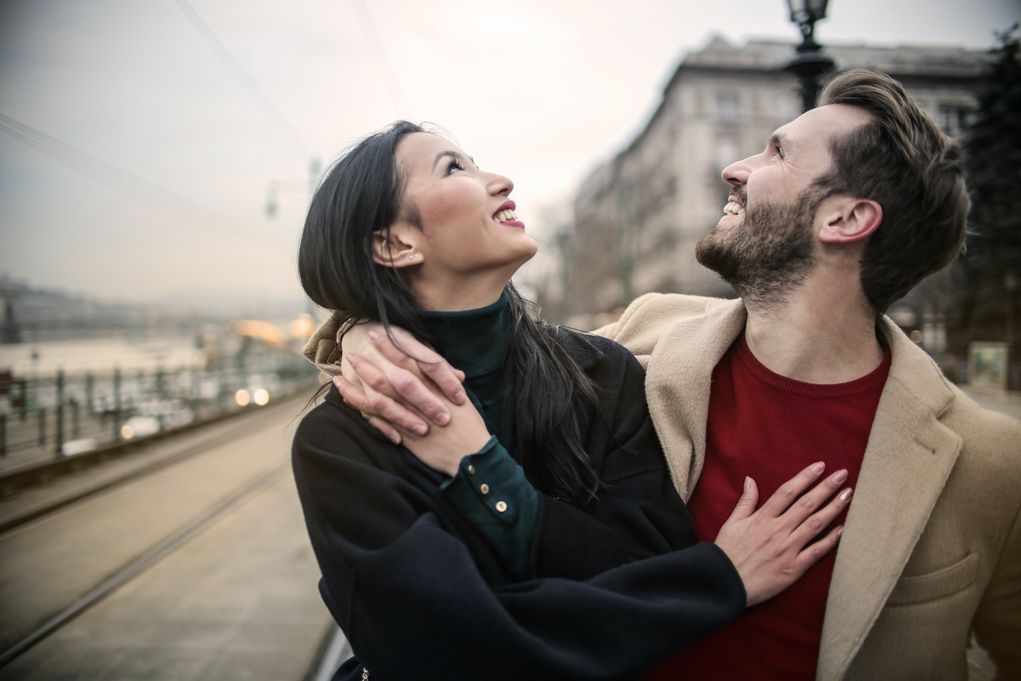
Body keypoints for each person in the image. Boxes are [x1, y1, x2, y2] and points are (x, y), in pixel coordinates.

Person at [336, 70, 1021, 680]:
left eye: (775, 152)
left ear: (844, 218)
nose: (734, 167)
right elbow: (473, 343)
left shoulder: (989, 460)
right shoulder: (638, 336)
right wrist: (364, 329)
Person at [293, 122, 852, 681]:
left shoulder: (603, 374)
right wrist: (713, 580)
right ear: (394, 244)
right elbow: (453, 652)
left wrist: (482, 466)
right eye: (454, 168)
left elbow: (644, 569)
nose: (500, 181)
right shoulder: (340, 441)